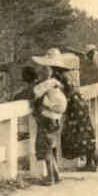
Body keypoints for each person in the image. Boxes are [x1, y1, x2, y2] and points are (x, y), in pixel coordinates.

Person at [19, 52, 70, 185]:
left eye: (44, 68)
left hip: (48, 117)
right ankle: (56, 174)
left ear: (49, 70)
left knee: (44, 146)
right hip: (56, 118)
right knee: (49, 145)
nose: (42, 70)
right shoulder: (57, 83)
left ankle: (50, 177)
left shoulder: (48, 83)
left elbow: (34, 93)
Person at [56, 52, 98, 173]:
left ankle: (91, 160)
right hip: (80, 103)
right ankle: (92, 159)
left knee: (78, 133)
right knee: (85, 131)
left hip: (74, 106)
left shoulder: (58, 77)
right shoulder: (68, 75)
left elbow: (67, 92)